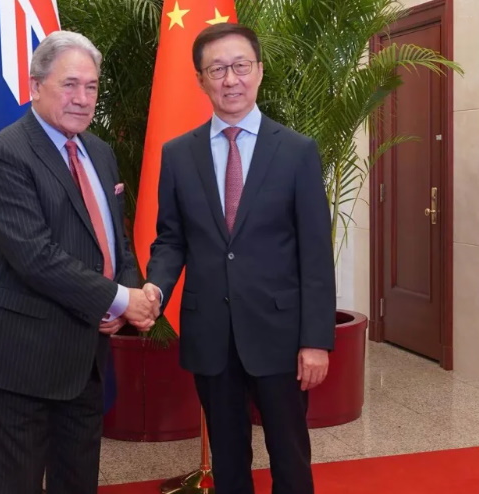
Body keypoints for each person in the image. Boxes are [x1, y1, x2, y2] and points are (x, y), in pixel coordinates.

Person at [0, 31, 158, 494]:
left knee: (78, 481)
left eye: (91, 87)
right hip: (21, 360)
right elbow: (35, 256)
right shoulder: (5, 154)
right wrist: (116, 299)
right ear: (36, 86)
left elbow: (115, 243)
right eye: (70, 84)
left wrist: (127, 293)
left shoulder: (102, 154)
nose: (82, 98)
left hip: (84, 359)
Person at [143, 23, 336, 494]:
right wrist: (155, 288)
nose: (230, 79)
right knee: (228, 459)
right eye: (217, 69)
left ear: (259, 72)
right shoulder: (178, 154)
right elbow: (171, 239)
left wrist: (316, 341)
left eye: (240, 66)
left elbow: (315, 253)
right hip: (210, 333)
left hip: (280, 335)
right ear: (200, 80)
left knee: (290, 454)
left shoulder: (295, 151)